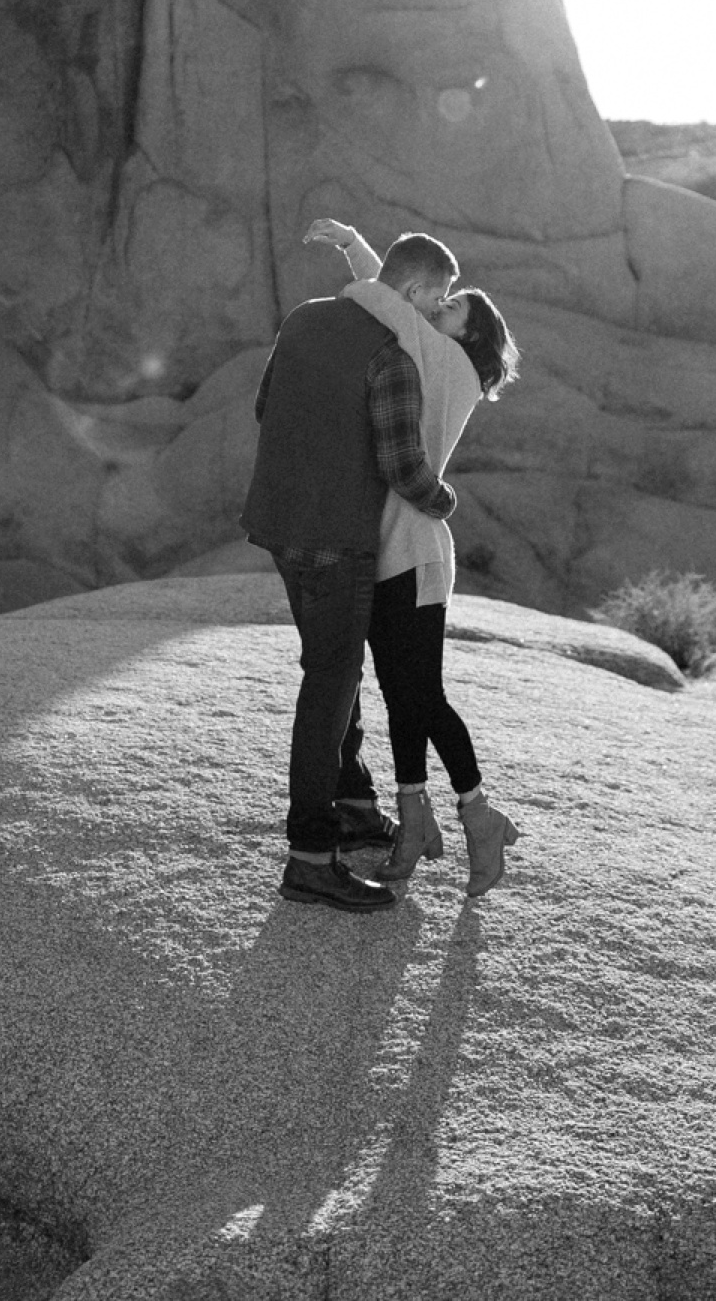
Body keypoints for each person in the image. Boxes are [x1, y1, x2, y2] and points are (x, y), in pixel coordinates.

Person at [240, 230, 462, 914]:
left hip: (281, 528)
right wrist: (445, 502)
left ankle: (355, 806)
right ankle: (310, 858)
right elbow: (403, 470)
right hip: (338, 539)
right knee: (330, 682)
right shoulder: (391, 358)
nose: (441, 309)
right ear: (418, 292)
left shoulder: (304, 317)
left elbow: (263, 406)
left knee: (334, 666)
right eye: (441, 298)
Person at [306, 217, 522, 899]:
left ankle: (478, 814)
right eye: (441, 299)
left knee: (423, 696)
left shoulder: (448, 364)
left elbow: (390, 296)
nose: (437, 308)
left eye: (450, 306)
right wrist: (357, 249)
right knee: (403, 698)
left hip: (420, 556)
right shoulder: (430, 352)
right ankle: (413, 818)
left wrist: (350, 248)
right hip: (389, 550)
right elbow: (401, 294)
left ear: (469, 333)